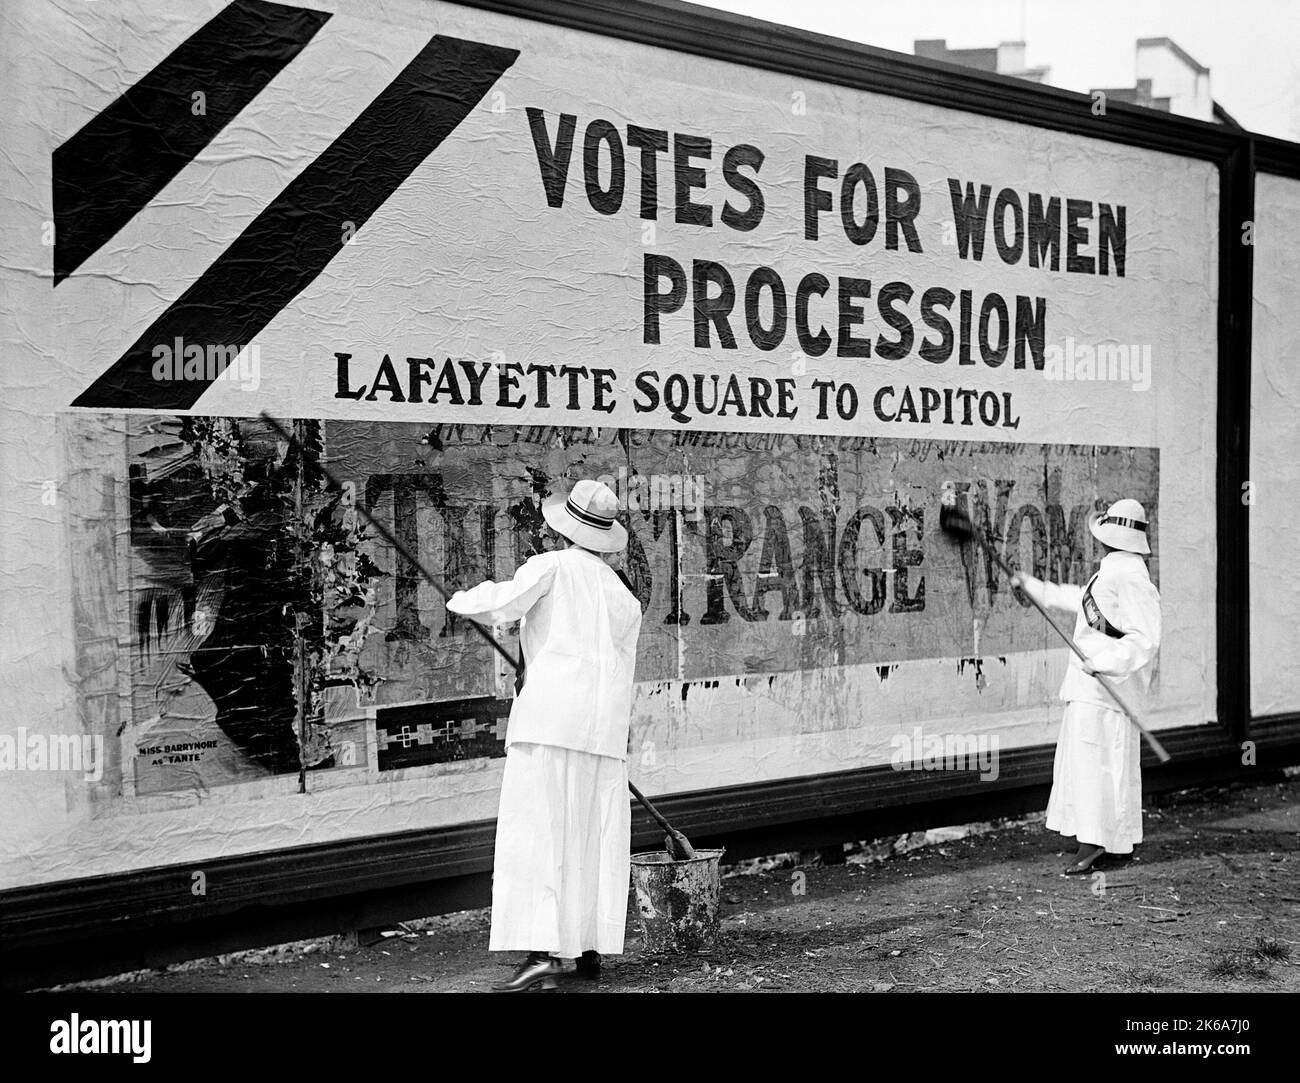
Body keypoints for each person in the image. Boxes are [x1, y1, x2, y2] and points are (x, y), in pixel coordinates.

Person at [445, 479, 642, 991]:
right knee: (590, 836)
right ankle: (587, 951)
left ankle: (543, 955)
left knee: (538, 835)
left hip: (551, 724)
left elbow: (500, 606)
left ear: (566, 527)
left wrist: (458, 599)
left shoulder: (551, 567)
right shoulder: (623, 596)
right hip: (601, 733)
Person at [1010, 498, 1162, 875]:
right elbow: (1078, 599)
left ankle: (1093, 844)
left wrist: (1104, 663)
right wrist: (1033, 586)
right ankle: (1115, 840)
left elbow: (1146, 638)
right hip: (1091, 687)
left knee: (1097, 765)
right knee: (1101, 764)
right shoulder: (1112, 572)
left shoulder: (1129, 577)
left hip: (1104, 690)